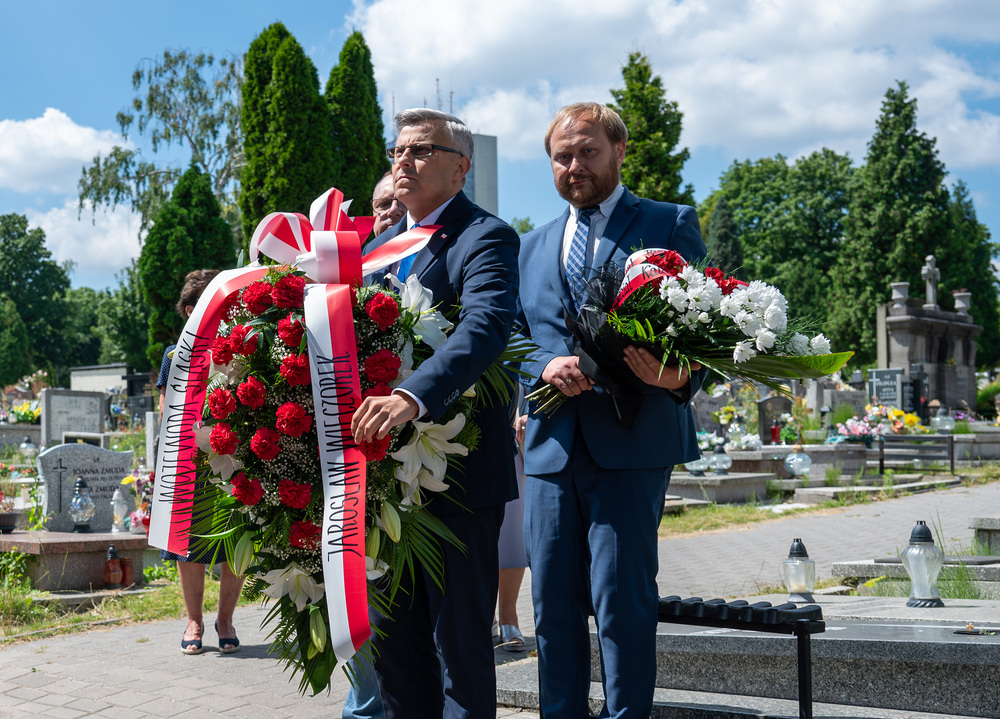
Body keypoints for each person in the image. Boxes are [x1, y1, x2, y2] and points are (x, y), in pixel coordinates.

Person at [517, 102, 706, 718]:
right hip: (549, 448)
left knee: (623, 604)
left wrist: (682, 374)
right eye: (562, 156)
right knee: (551, 604)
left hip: (635, 441)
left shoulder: (667, 223)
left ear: (619, 150)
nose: (575, 165)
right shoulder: (529, 246)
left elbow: (704, 323)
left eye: (587, 150)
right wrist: (543, 366)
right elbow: (513, 336)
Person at [351, 108, 520, 718]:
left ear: (460, 168)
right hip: (381, 486)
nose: (405, 161)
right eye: (399, 150)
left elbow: (484, 328)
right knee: (394, 654)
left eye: (422, 150)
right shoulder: (376, 250)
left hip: (459, 480)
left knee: (459, 651)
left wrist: (410, 395)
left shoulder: (485, 237)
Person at [342, 173, 407, 719]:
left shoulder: (429, 259)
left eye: (398, 203)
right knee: (356, 588)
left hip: (418, 455)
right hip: (349, 457)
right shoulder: (348, 271)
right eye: (381, 205)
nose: (390, 213)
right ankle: (363, 707)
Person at [156, 269, 245, 655]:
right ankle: (194, 620)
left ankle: (225, 619)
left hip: (234, 459)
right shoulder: (174, 356)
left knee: (234, 540)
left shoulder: (239, 348)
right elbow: (166, 411)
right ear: (191, 309)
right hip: (188, 461)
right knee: (186, 541)